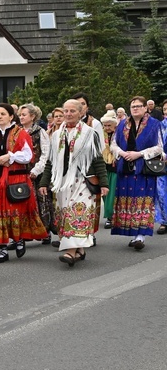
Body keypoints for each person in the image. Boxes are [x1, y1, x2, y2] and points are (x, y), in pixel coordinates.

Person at [39, 99, 108, 267]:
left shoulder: (90, 133)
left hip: (83, 180)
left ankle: (70, 252)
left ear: (80, 113)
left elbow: (98, 159)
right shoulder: (56, 135)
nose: (68, 114)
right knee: (64, 214)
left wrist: (104, 183)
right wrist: (43, 182)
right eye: (66, 111)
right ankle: (79, 249)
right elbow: (50, 162)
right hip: (62, 182)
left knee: (77, 213)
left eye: (72, 111)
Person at [0, 103, 47, 263]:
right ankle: (3, 248)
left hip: (16, 178)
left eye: (3, 114)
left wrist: (11, 156)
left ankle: (19, 239)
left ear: (11, 116)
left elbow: (28, 155)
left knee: (17, 211)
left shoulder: (20, 133)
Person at [110, 96, 164, 250]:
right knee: (128, 201)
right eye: (133, 106)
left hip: (144, 168)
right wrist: (122, 152)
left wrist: (138, 154)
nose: (135, 108)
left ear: (146, 108)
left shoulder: (155, 125)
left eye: (139, 106)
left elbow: (159, 147)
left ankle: (140, 235)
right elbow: (113, 144)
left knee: (143, 201)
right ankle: (133, 234)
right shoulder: (122, 124)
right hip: (125, 167)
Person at [18, 103, 53, 245]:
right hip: (20, 173)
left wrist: (36, 170)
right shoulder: (17, 132)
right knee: (22, 202)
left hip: (36, 173)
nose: (21, 117)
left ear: (32, 116)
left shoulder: (40, 132)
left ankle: (45, 231)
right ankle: (22, 234)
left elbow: (45, 154)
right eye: (20, 115)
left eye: (24, 114)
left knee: (41, 202)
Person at [100, 110, 119, 230]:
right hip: (103, 167)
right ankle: (110, 215)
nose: (107, 128)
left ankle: (110, 216)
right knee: (104, 194)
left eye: (109, 125)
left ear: (115, 125)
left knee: (112, 194)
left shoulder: (120, 134)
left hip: (115, 167)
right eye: (105, 125)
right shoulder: (100, 135)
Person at [155, 100, 167, 234]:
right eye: (164, 109)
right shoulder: (160, 126)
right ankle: (164, 221)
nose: (166, 112)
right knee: (162, 192)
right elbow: (157, 142)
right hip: (163, 162)